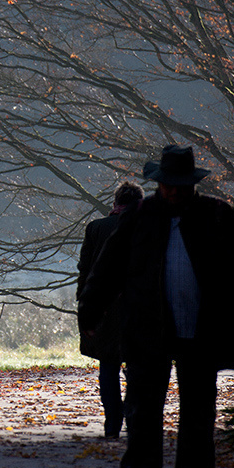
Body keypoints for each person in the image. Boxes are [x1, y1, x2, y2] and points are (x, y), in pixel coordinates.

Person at [77, 145, 234, 468]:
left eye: (180, 185)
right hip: (148, 331)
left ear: (192, 184)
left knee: (198, 410)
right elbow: (107, 269)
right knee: (142, 409)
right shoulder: (138, 217)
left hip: (202, 331)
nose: (174, 191)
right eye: (168, 185)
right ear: (158, 183)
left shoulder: (218, 217)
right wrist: (90, 310)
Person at [77, 181, 144, 439]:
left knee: (108, 367)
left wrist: (85, 304)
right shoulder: (146, 227)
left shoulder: (96, 228)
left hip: (103, 308)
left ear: (115, 202)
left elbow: (85, 270)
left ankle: (112, 422)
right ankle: (133, 415)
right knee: (138, 367)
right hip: (138, 308)